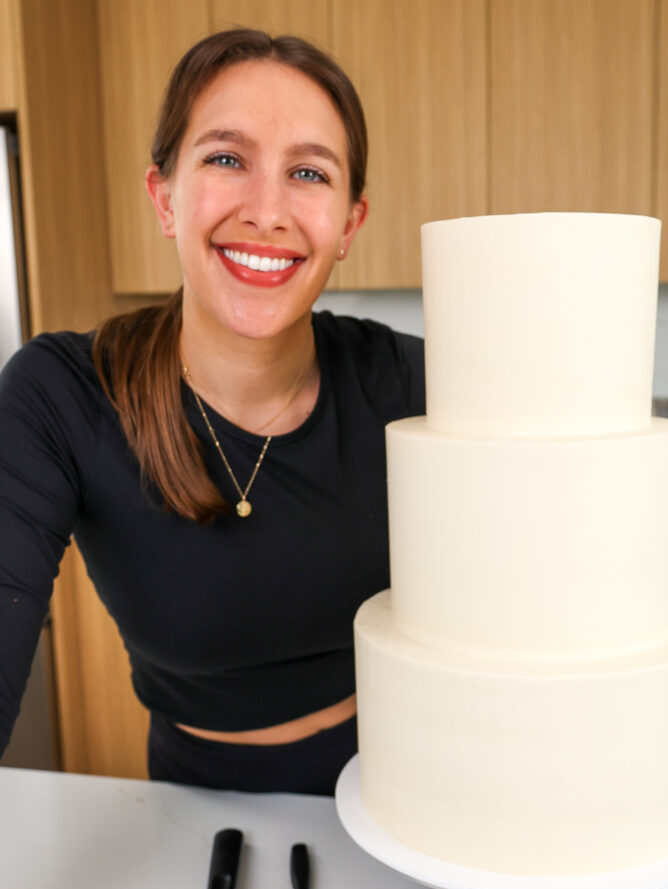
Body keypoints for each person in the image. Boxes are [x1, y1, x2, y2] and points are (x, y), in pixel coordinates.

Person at [0, 29, 424, 794]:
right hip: (194, 805)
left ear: (348, 227)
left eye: (307, 172)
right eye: (227, 159)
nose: (267, 211)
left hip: (402, 779)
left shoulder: (405, 382)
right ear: (165, 197)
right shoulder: (61, 395)